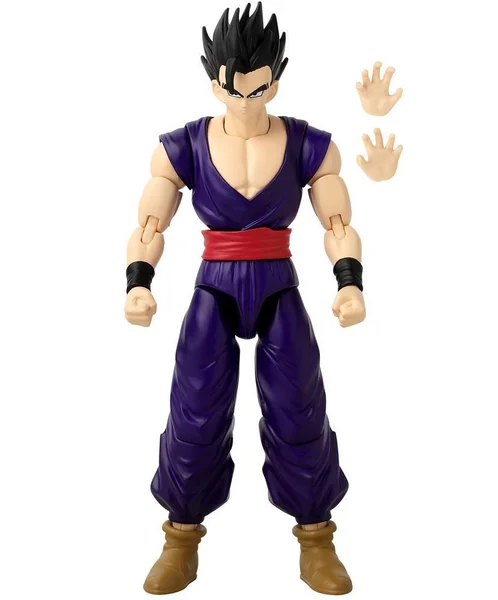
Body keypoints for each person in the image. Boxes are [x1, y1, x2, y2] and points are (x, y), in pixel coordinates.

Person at [124, 3, 365, 595]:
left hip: (279, 283)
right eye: (236, 89)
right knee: (195, 408)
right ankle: (180, 535)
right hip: (216, 284)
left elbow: (337, 221)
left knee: (299, 406)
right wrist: (138, 282)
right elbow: (151, 223)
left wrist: (349, 282)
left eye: (259, 89)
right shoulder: (183, 146)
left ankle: (317, 536)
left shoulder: (308, 144)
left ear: (274, 83)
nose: (247, 101)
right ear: (217, 84)